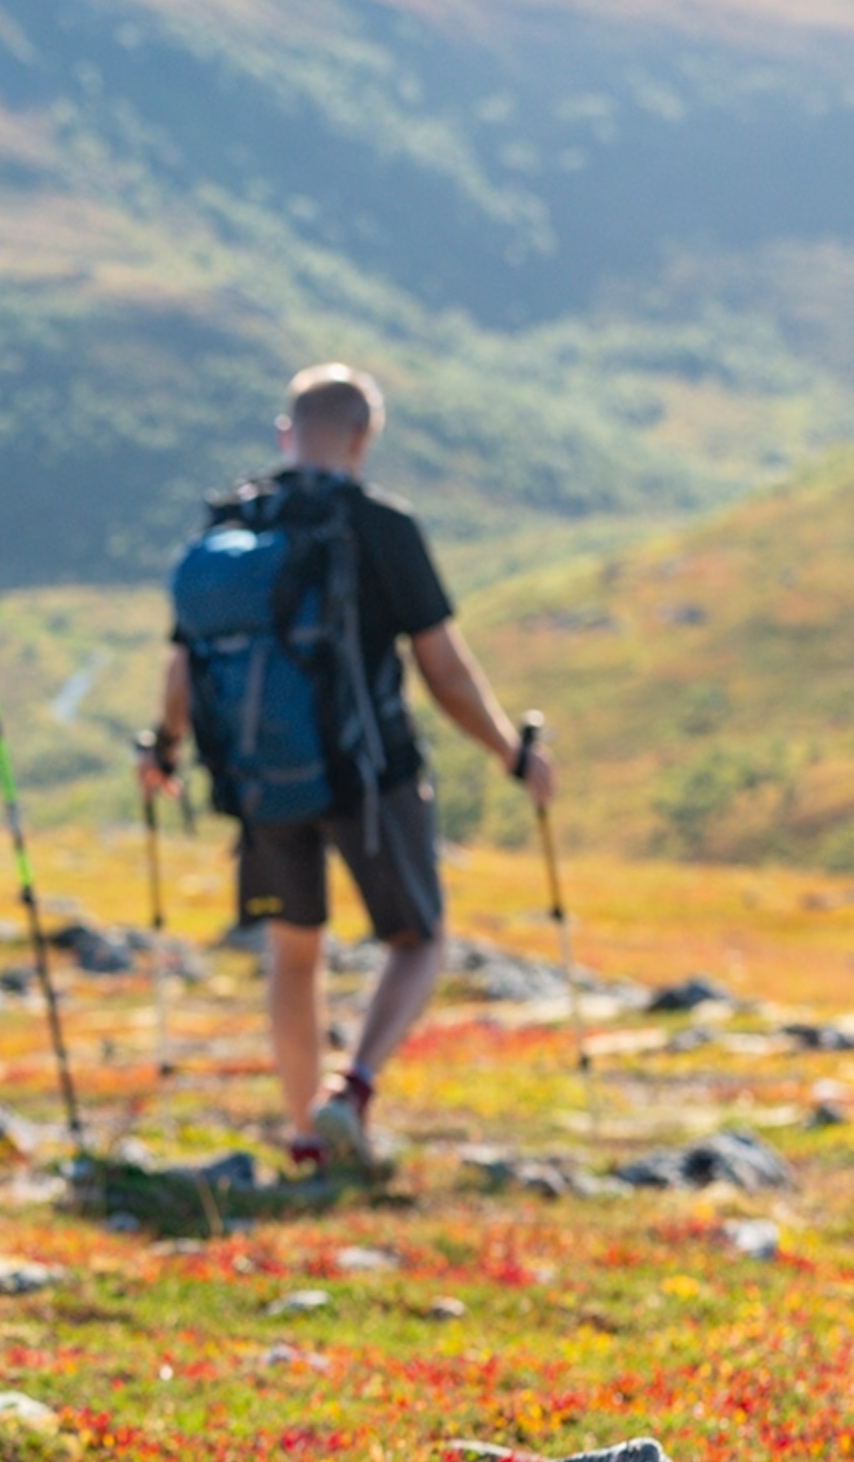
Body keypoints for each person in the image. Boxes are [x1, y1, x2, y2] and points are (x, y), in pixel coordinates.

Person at [145, 362, 555, 1168]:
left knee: (294, 954)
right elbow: (444, 671)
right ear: (363, 439)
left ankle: (305, 1137)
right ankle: (352, 1092)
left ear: (285, 433)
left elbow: (185, 665)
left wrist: (164, 748)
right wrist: (512, 754)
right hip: (373, 780)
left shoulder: (232, 530)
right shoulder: (381, 529)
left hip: (264, 783)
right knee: (417, 938)